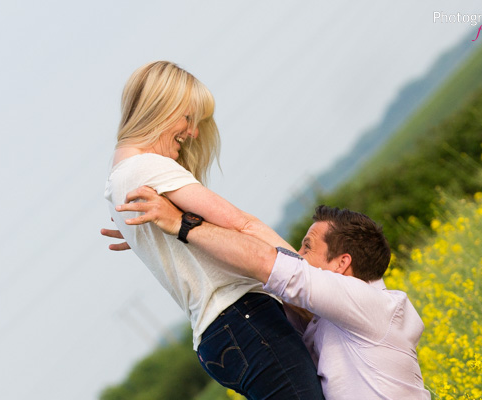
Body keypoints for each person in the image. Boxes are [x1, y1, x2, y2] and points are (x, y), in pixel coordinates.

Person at [104, 61, 324, 399]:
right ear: (162, 108)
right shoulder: (148, 167)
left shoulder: (117, 182)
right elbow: (242, 224)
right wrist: (316, 287)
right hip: (244, 319)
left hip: (217, 339)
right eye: (188, 118)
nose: (192, 133)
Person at [105, 186, 431, 399]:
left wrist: (180, 223)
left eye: (307, 247)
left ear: (342, 263)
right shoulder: (332, 318)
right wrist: (154, 240)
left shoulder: (372, 306)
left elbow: (268, 263)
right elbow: (246, 266)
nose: (297, 256)